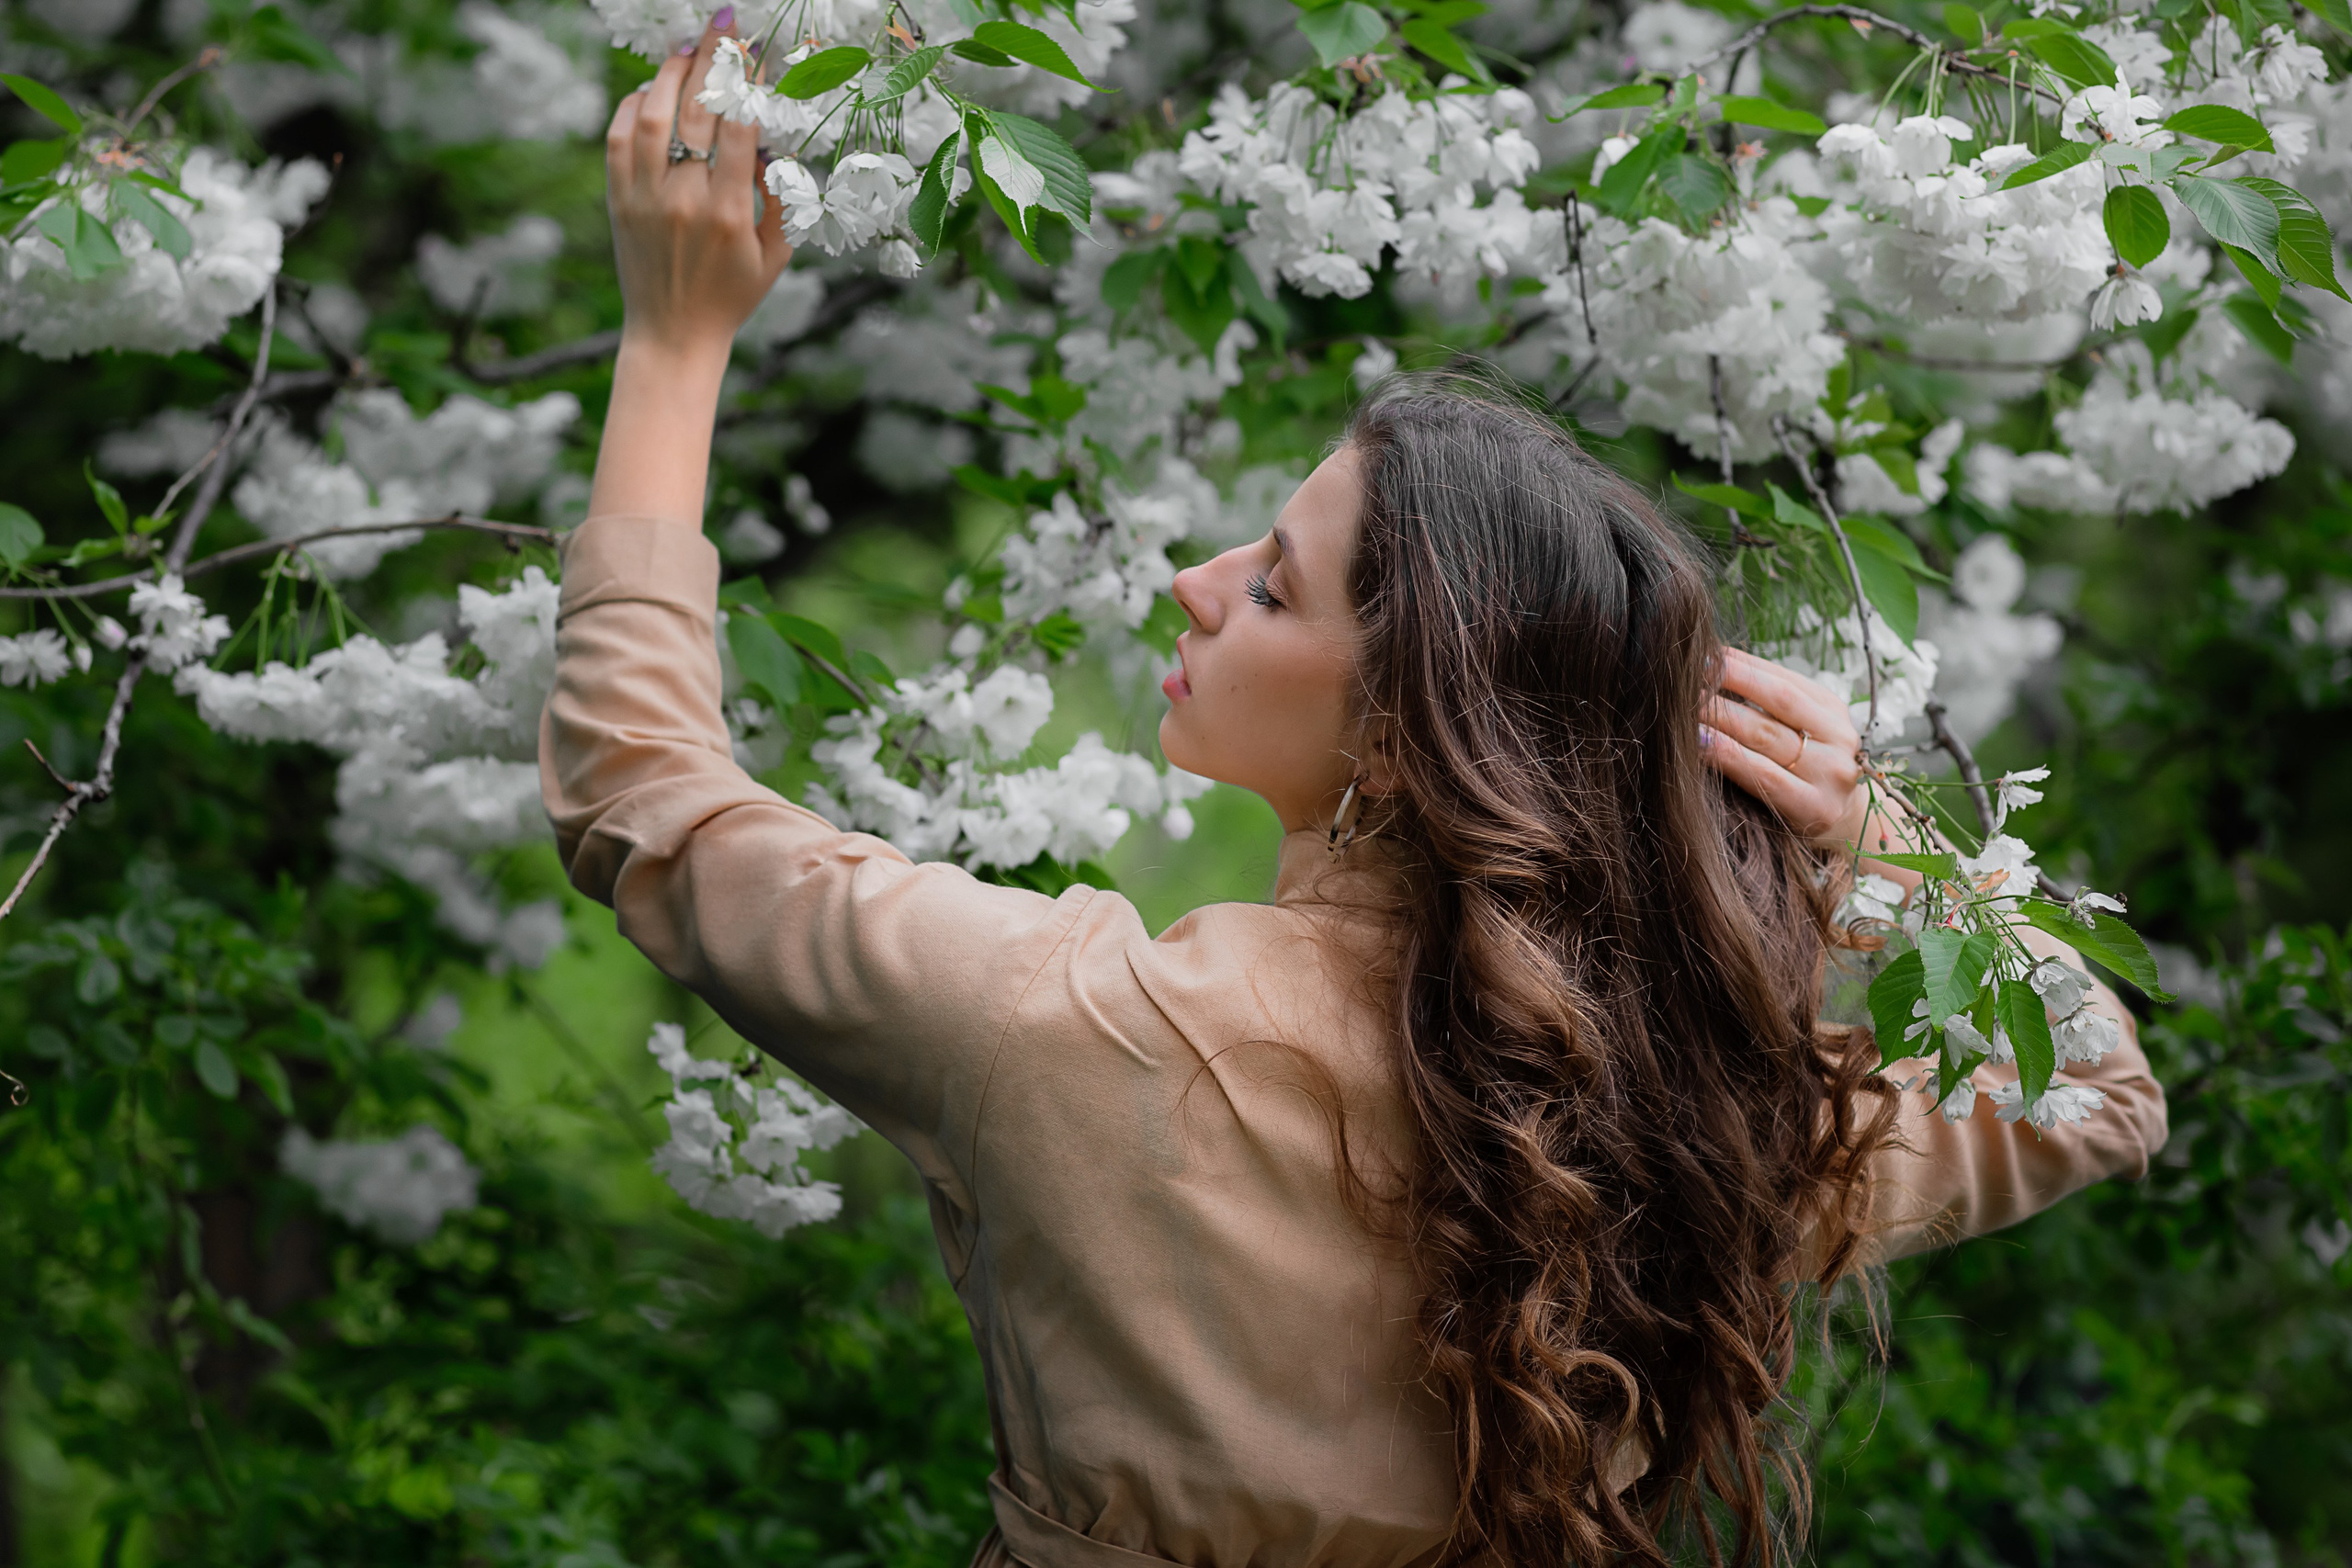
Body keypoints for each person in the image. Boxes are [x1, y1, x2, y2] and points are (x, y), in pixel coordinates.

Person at [543, 25, 2168, 1567]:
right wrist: (1894, 840)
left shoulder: (1074, 1025)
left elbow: (643, 797)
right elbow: (2099, 1097)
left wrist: (675, 340)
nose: (1193, 581)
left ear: (1405, 735)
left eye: (1270, 589)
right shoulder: (1690, 1123)